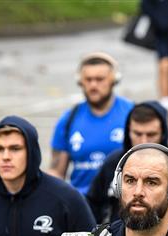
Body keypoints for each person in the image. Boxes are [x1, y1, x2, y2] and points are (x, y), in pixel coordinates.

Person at [86, 100, 168, 232]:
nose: (143, 141)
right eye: (137, 134)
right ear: (128, 133)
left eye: (151, 135)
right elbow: (92, 207)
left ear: (163, 135)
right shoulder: (113, 164)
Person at [49, 52, 133, 194]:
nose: (93, 85)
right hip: (82, 204)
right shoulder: (68, 120)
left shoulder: (132, 114)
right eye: (88, 79)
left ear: (114, 80)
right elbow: (57, 171)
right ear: (80, 81)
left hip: (121, 202)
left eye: (100, 79)